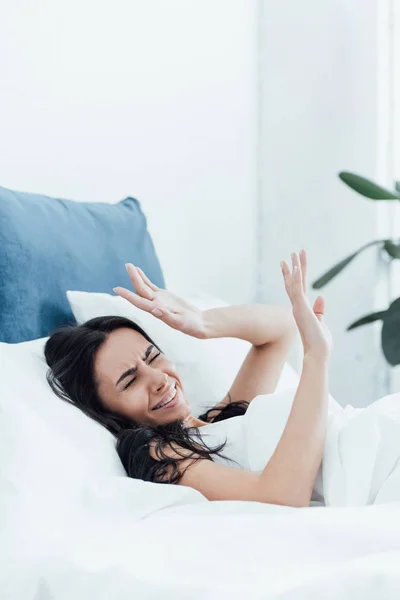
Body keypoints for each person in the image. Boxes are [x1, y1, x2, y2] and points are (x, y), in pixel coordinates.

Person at [45, 250, 332, 508]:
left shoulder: (221, 422)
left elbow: (281, 329)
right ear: (104, 410)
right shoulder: (159, 453)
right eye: (130, 381)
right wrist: (316, 357)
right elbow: (281, 497)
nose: (158, 379)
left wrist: (203, 322)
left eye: (152, 357)